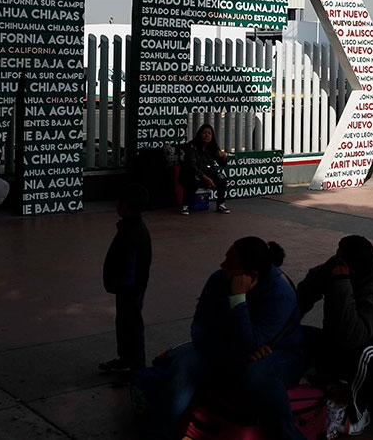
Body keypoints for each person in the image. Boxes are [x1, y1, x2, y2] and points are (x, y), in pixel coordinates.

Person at [159, 237, 304, 440]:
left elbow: (249, 343)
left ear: (251, 276)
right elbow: (199, 331)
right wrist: (236, 354)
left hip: (280, 357)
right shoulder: (218, 280)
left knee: (256, 373)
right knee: (184, 365)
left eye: (229, 263)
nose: (222, 265)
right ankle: (164, 432)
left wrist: (237, 298)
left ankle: (288, 435)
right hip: (230, 352)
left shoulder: (279, 294)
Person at [296, 235, 373, 435]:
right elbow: (309, 288)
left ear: (353, 270)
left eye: (340, 257)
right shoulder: (338, 264)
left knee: (364, 355)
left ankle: (358, 413)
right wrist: (285, 321)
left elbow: (353, 337)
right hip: (344, 342)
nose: (335, 259)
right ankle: (328, 383)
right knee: (300, 336)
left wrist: (341, 282)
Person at [99, 184, 152, 377]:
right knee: (126, 323)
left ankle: (135, 367)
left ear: (125, 206)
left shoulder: (132, 232)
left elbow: (129, 263)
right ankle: (126, 360)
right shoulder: (133, 228)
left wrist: (118, 283)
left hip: (129, 287)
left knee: (130, 325)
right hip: (130, 286)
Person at [178, 123, 230, 215]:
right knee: (192, 180)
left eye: (209, 133)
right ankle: (185, 205)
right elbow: (192, 167)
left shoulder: (213, 147)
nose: (207, 135)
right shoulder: (192, 146)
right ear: (200, 134)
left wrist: (224, 157)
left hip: (208, 172)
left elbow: (221, 164)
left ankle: (221, 204)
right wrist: (206, 178)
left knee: (221, 178)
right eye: (204, 133)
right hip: (192, 173)